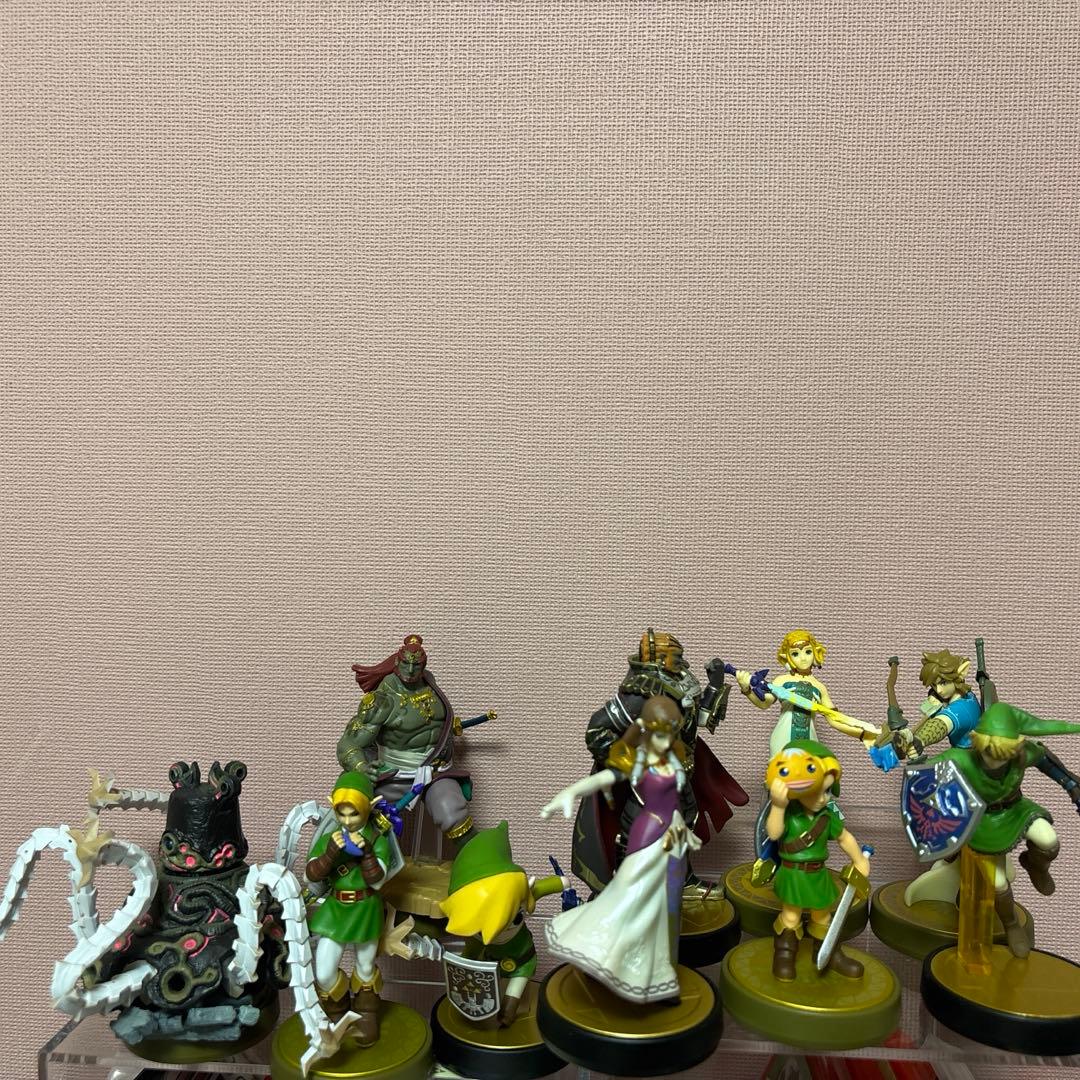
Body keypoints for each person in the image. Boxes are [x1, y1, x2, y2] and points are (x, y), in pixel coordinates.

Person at [542, 695, 697, 1004]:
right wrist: (570, 792)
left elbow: (682, 802)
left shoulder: (675, 760)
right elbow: (607, 776)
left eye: (671, 734)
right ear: (646, 730)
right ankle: (615, 962)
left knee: (668, 911)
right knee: (630, 901)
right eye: (661, 735)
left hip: (674, 841)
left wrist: (686, 829)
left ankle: (661, 977)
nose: (667, 742)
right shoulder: (637, 762)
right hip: (647, 838)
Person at [573, 629, 747, 897]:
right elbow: (597, 729)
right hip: (650, 779)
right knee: (639, 828)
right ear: (660, 658)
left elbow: (699, 721)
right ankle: (625, 886)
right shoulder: (641, 691)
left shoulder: (679, 682)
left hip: (679, 772)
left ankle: (683, 880)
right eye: (675, 655)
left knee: (684, 822)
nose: (682, 660)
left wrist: (714, 685)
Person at [337, 634, 473, 846]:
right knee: (364, 824)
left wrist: (448, 731)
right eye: (405, 664)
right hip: (396, 775)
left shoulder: (430, 683)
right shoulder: (382, 700)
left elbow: (434, 723)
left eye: (416, 665)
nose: (410, 670)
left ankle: (480, 861)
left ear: (423, 665)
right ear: (397, 662)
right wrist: (362, 767)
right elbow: (349, 743)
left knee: (453, 814)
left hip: (436, 772)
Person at [764, 739, 870, 980]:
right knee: (791, 916)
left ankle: (828, 954)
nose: (822, 799)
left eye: (828, 791)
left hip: (818, 874)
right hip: (793, 873)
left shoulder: (827, 816)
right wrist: (778, 806)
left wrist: (859, 860)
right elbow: (774, 833)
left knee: (822, 916)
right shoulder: (790, 813)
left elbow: (844, 837)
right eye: (816, 791)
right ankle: (784, 954)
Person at [305, 771, 393, 1046]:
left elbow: (378, 880)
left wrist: (367, 854)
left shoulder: (378, 839)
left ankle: (366, 1013)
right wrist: (330, 854)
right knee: (323, 971)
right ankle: (337, 1012)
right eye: (340, 813)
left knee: (365, 966)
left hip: (366, 908)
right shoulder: (330, 838)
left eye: (353, 813)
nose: (346, 820)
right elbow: (311, 874)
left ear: (369, 807)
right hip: (336, 909)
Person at [736, 630, 834, 757]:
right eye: (795, 654)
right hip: (782, 739)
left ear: (816, 652)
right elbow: (764, 703)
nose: (803, 658)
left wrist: (857, 731)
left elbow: (834, 718)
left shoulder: (819, 687)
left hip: (810, 741)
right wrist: (746, 689)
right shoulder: (782, 680)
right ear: (787, 657)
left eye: (808, 652)